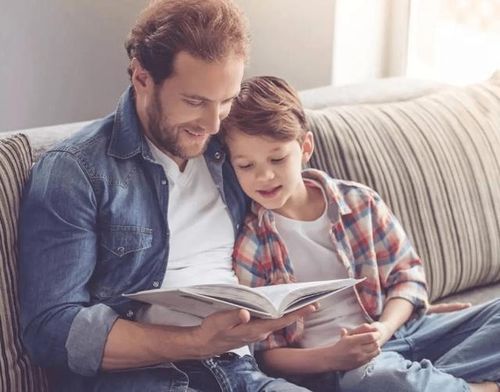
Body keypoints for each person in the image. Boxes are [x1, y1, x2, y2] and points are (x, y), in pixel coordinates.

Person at [18, 2, 316, 391]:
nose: (212, 124)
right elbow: (51, 328)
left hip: (240, 371)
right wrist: (194, 342)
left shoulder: (232, 151)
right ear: (142, 77)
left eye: (224, 101)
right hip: (141, 379)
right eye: (194, 102)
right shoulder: (76, 171)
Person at [220, 75, 500, 392]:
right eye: (246, 165)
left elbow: (407, 276)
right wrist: (331, 358)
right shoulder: (252, 246)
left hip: (405, 330)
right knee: (379, 378)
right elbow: (263, 352)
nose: (265, 175)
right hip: (345, 366)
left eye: (277, 158)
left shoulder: (359, 202)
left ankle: (437, 383)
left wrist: (384, 328)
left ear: (305, 147)